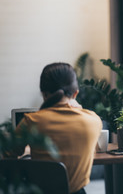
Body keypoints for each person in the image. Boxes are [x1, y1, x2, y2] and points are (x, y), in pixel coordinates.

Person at [10, 63, 102, 194]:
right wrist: (79, 109)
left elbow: (7, 155)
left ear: (44, 94)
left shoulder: (31, 121)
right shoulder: (93, 121)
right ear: (75, 93)